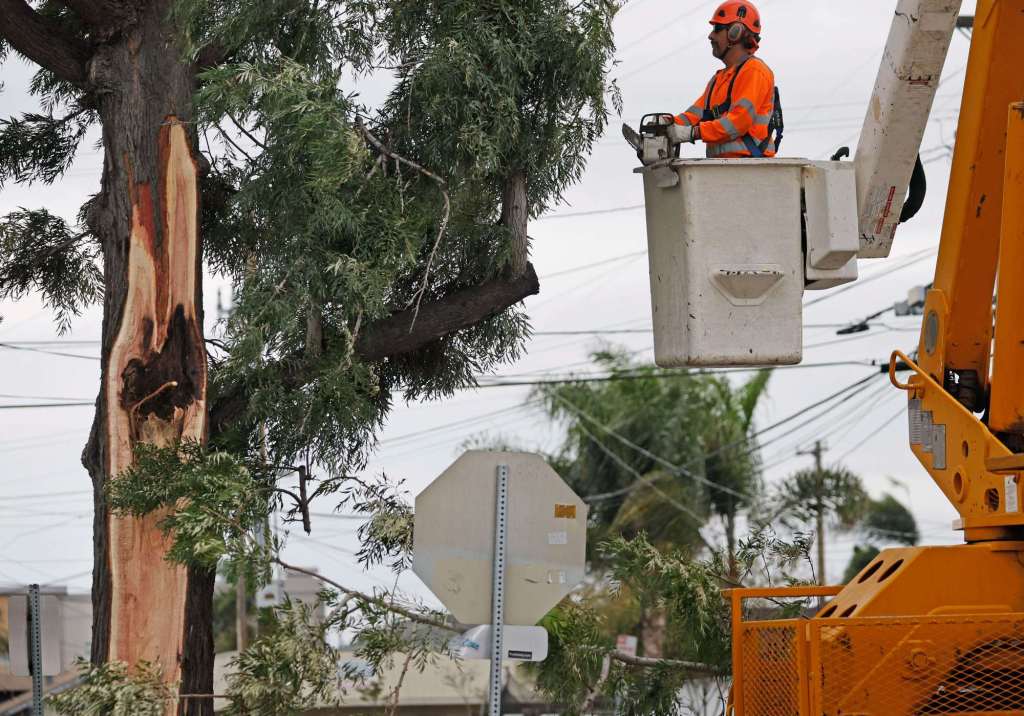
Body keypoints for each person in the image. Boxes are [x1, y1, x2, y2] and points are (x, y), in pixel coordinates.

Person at [667, 1, 783, 158]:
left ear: (735, 32)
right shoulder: (719, 79)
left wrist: (694, 132)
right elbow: (696, 115)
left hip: (751, 168)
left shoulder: (754, 71)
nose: (711, 36)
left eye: (717, 29)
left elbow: (737, 122)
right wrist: (667, 124)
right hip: (724, 170)